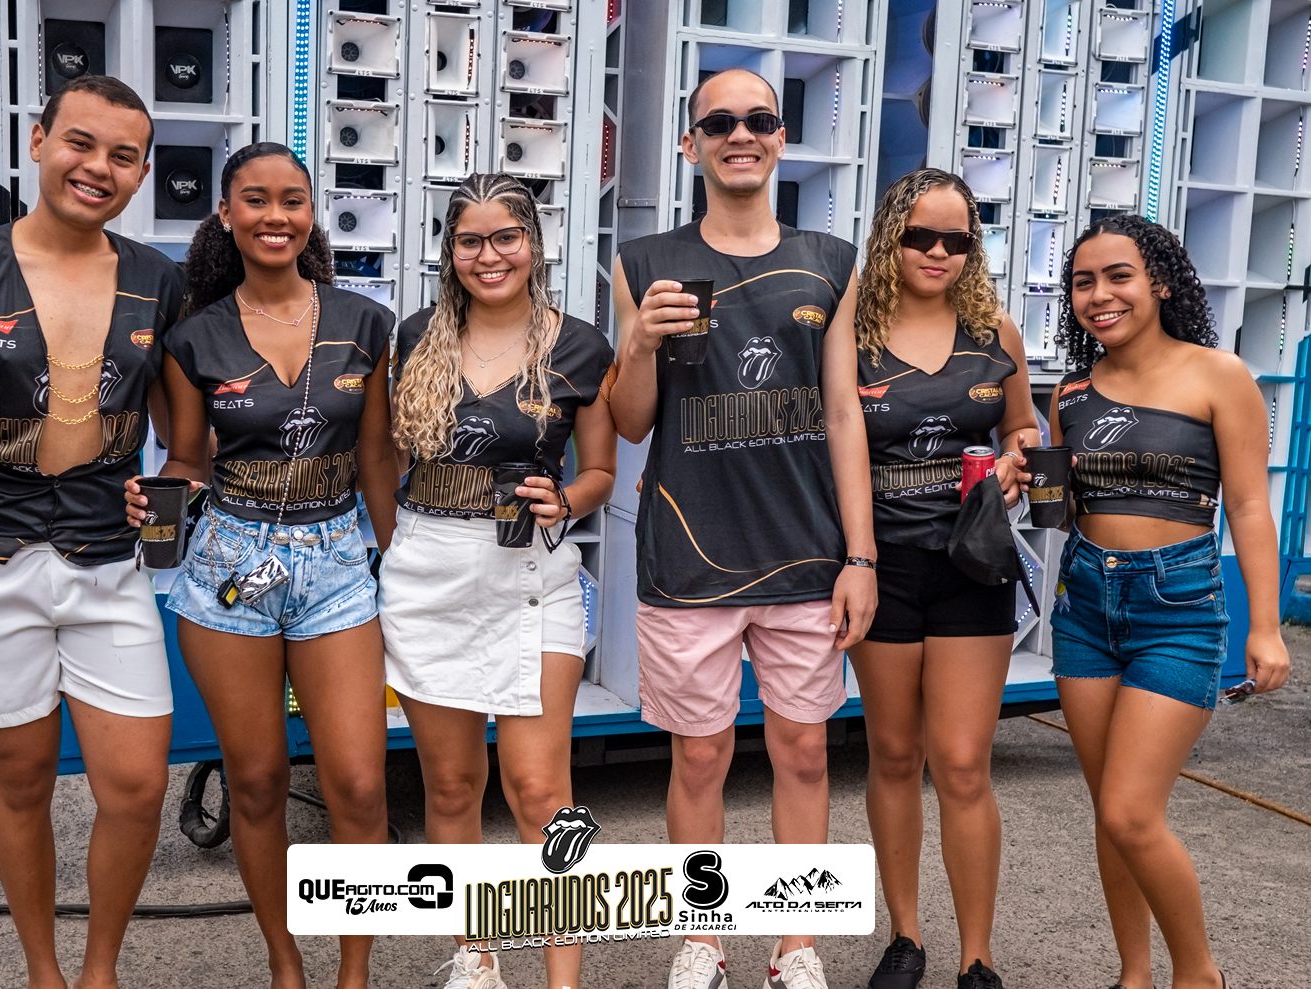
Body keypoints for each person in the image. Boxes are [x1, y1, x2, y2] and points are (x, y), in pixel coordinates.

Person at [0, 75, 184, 989]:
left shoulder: (158, 281)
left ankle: (101, 970)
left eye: (123, 156)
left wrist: (168, 491)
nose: (98, 168)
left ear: (141, 173)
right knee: (22, 782)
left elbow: (183, 442)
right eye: (80, 143)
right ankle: (44, 971)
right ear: (40, 140)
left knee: (138, 784)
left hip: (105, 558)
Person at [608, 67, 877, 989]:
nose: (740, 134)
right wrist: (640, 342)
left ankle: (796, 944)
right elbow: (630, 423)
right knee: (700, 756)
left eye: (759, 119)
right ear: (691, 144)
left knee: (804, 751)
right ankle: (703, 937)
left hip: (806, 555)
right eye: (719, 122)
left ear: (780, 138)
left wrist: (860, 555)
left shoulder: (830, 260)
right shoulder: (643, 262)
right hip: (689, 555)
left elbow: (842, 413)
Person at [123, 142, 395, 989]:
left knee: (358, 783)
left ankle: (354, 973)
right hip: (230, 568)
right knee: (257, 780)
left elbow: (378, 460)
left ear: (311, 213)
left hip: (337, 564)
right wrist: (153, 500)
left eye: (293, 200)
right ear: (227, 214)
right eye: (256, 199)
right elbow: (187, 457)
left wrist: (398, 564)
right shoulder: (193, 337)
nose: (276, 216)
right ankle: (286, 962)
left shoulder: (366, 322)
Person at [382, 172, 617, 989]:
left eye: (506, 237)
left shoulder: (580, 345)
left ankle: (562, 981)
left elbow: (601, 472)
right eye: (470, 240)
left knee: (542, 791)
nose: (490, 255)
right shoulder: (416, 335)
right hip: (429, 575)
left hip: (533, 574)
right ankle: (475, 957)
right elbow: (387, 456)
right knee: (450, 785)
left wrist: (567, 498)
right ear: (450, 251)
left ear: (533, 245)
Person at [1048, 215, 1291, 989]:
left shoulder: (1219, 375)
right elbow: (1060, 511)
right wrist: (1024, 476)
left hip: (1177, 607)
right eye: (1083, 282)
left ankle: (1198, 974)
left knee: (1130, 811)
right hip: (1085, 604)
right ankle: (1134, 975)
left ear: (1158, 281)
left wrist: (1266, 625)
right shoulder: (1072, 393)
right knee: (1109, 812)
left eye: (1118, 276)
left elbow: (1248, 505)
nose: (1100, 295)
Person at [847, 168, 1038, 989]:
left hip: (972, 562)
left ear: (972, 247)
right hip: (882, 565)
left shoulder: (994, 329)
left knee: (961, 762)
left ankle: (977, 955)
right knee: (894, 754)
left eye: (955, 240)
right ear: (890, 237)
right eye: (919, 236)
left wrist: (1019, 459)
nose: (937, 252)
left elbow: (1022, 424)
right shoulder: (853, 331)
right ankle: (906, 937)